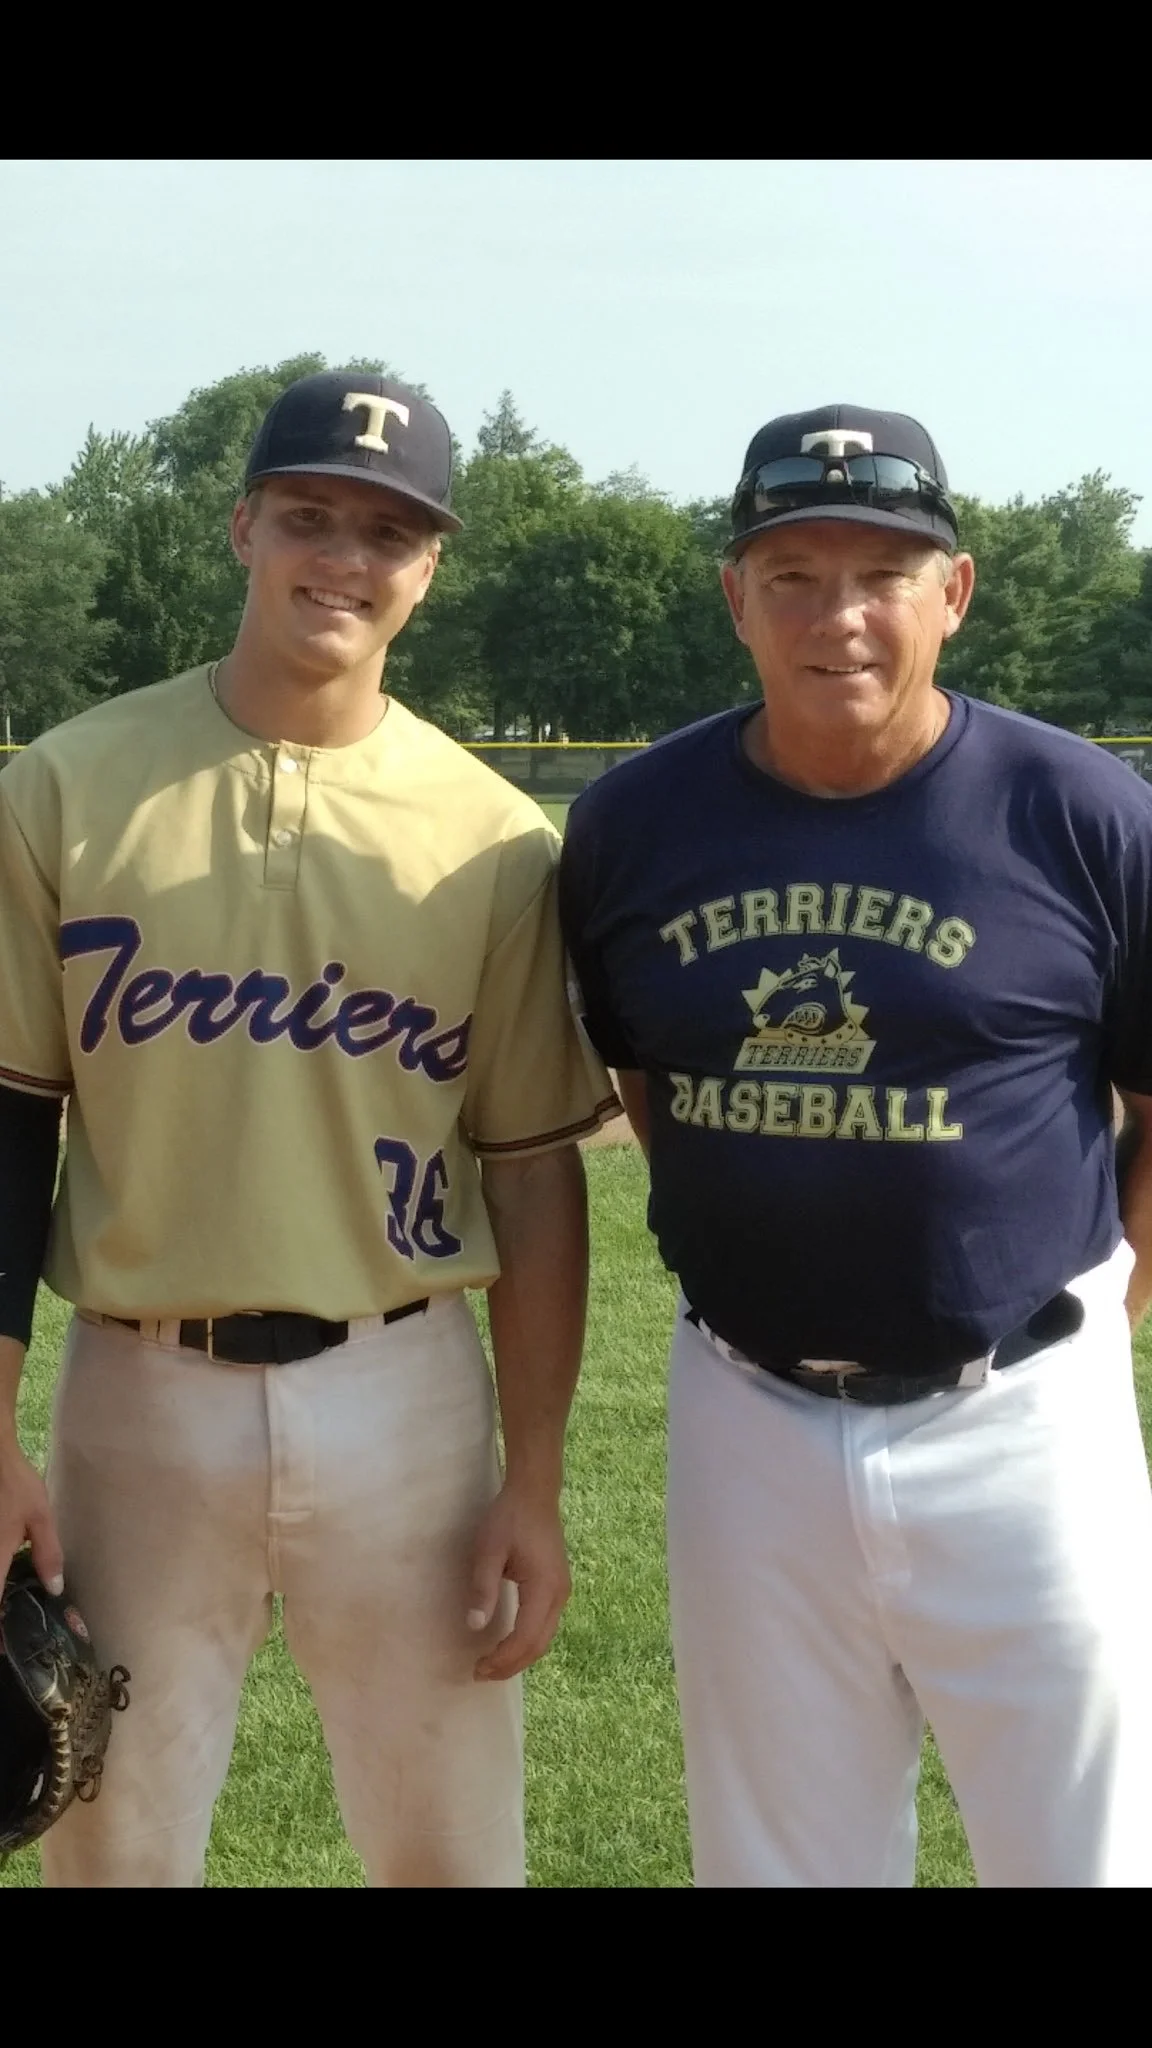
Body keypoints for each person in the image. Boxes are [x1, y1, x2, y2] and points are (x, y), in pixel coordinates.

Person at [0, 367, 618, 1889]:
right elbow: (9, 1132)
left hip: (403, 1392)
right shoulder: (69, 784)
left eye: (388, 531)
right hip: (140, 1393)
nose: (343, 557)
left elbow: (536, 1177)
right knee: (111, 1836)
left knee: (449, 1845)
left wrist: (528, 1482)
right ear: (243, 527)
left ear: (430, 566)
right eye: (310, 516)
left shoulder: (488, 838)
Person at [558, 404, 1152, 1889]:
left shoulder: (1078, 809)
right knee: (777, 1860)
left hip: (1023, 1406)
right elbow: (650, 1080)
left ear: (953, 592)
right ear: (734, 597)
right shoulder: (636, 820)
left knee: (1081, 1851)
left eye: (884, 572)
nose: (841, 617)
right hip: (745, 1403)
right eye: (795, 573)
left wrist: (1098, 1332)